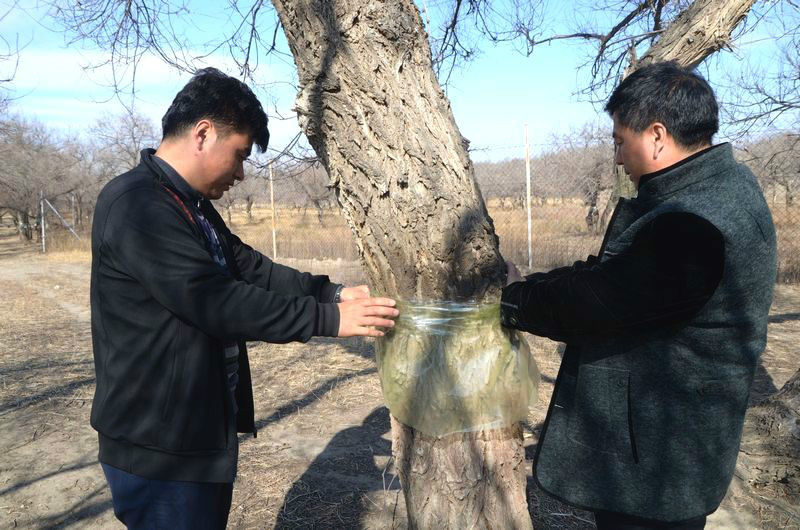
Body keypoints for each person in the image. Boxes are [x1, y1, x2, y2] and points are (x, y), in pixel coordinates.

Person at [89, 67, 399, 529]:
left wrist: (330, 290)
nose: (239, 173)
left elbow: (248, 268)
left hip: (195, 439)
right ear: (203, 133)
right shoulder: (137, 205)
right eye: (238, 155)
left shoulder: (188, 205)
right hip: (159, 450)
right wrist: (330, 319)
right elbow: (216, 300)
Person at [501, 62, 777, 530]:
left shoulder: (692, 224)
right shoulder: (723, 186)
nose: (616, 157)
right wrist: (534, 283)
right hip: (678, 443)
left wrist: (513, 300)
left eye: (618, 141)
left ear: (656, 135)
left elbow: (598, 302)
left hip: (657, 460)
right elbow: (618, 275)